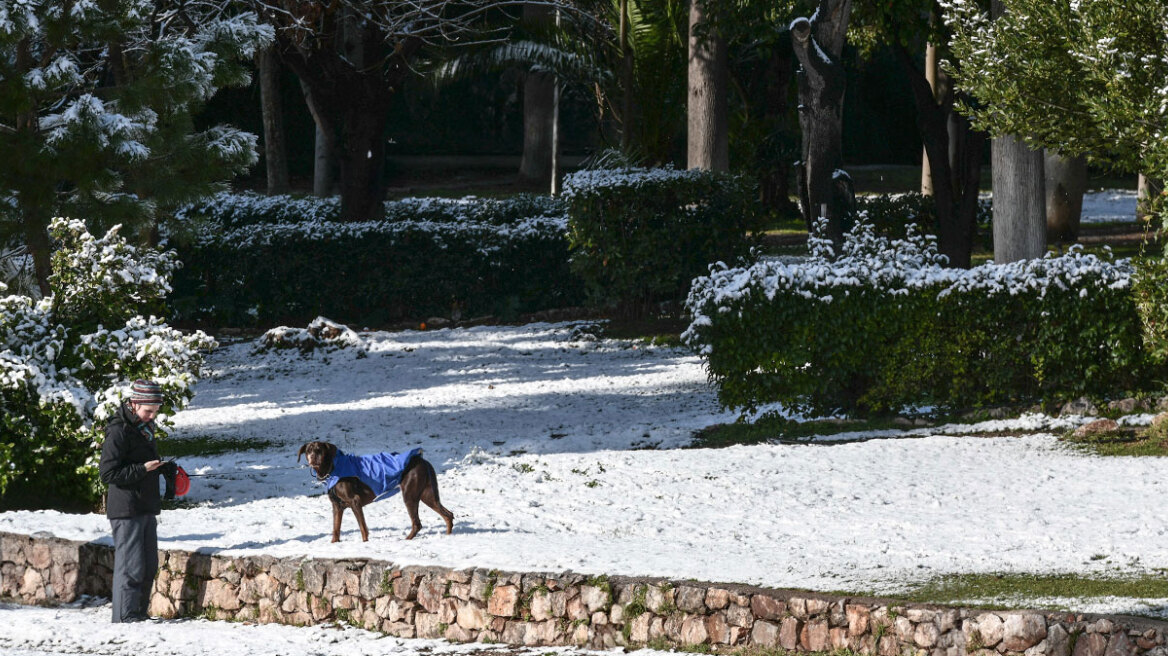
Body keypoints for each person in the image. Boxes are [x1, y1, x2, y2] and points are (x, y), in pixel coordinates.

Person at [99, 379, 176, 623]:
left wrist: (163, 469)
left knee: (149, 565)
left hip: (145, 505)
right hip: (126, 508)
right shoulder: (119, 430)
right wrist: (143, 469)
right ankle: (124, 617)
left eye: (155, 411)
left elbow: (142, 463)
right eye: (148, 411)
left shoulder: (144, 428)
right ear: (134, 404)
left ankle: (138, 614)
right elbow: (108, 474)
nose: (151, 416)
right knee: (130, 567)